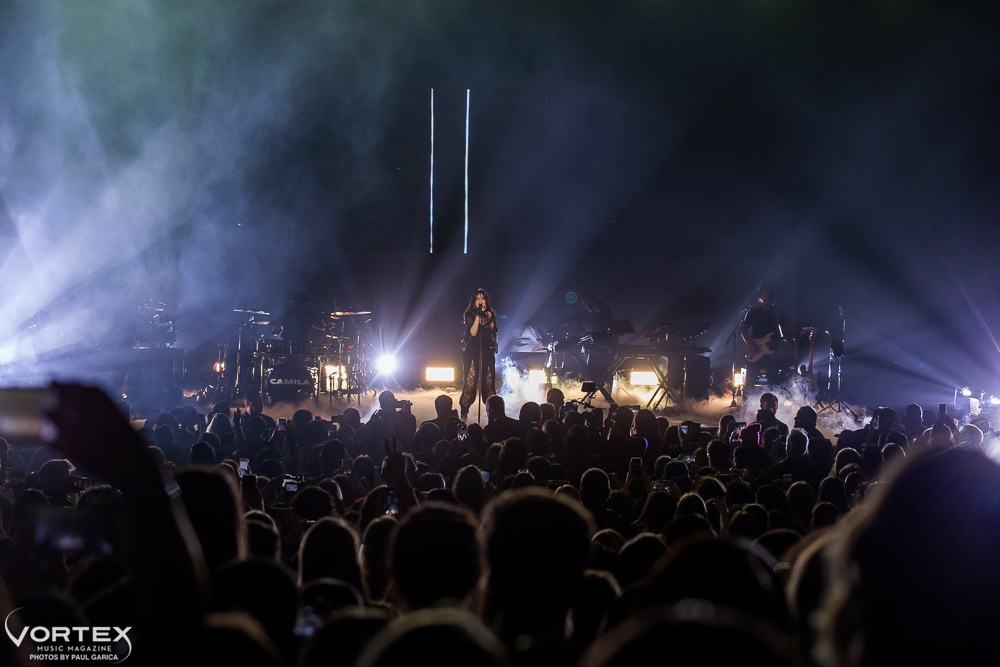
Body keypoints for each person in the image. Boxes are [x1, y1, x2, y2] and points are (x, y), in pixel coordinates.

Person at [459, 289, 498, 422]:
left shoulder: (491, 314)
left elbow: (493, 331)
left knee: (488, 385)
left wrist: (489, 318)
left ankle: (493, 417)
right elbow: (473, 333)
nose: (480, 301)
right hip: (472, 352)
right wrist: (478, 316)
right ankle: (463, 416)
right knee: (470, 384)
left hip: (487, 352)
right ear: (474, 301)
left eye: (483, 298)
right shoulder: (469, 314)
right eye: (478, 298)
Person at [741, 284, 787, 386]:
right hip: (755, 350)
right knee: (750, 382)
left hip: (771, 352)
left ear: (772, 296)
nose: (766, 296)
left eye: (768, 294)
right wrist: (751, 346)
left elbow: (785, 335)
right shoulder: (753, 312)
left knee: (773, 383)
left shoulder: (779, 313)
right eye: (764, 293)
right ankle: (747, 401)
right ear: (760, 296)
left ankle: (772, 401)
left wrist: (788, 337)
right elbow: (743, 331)